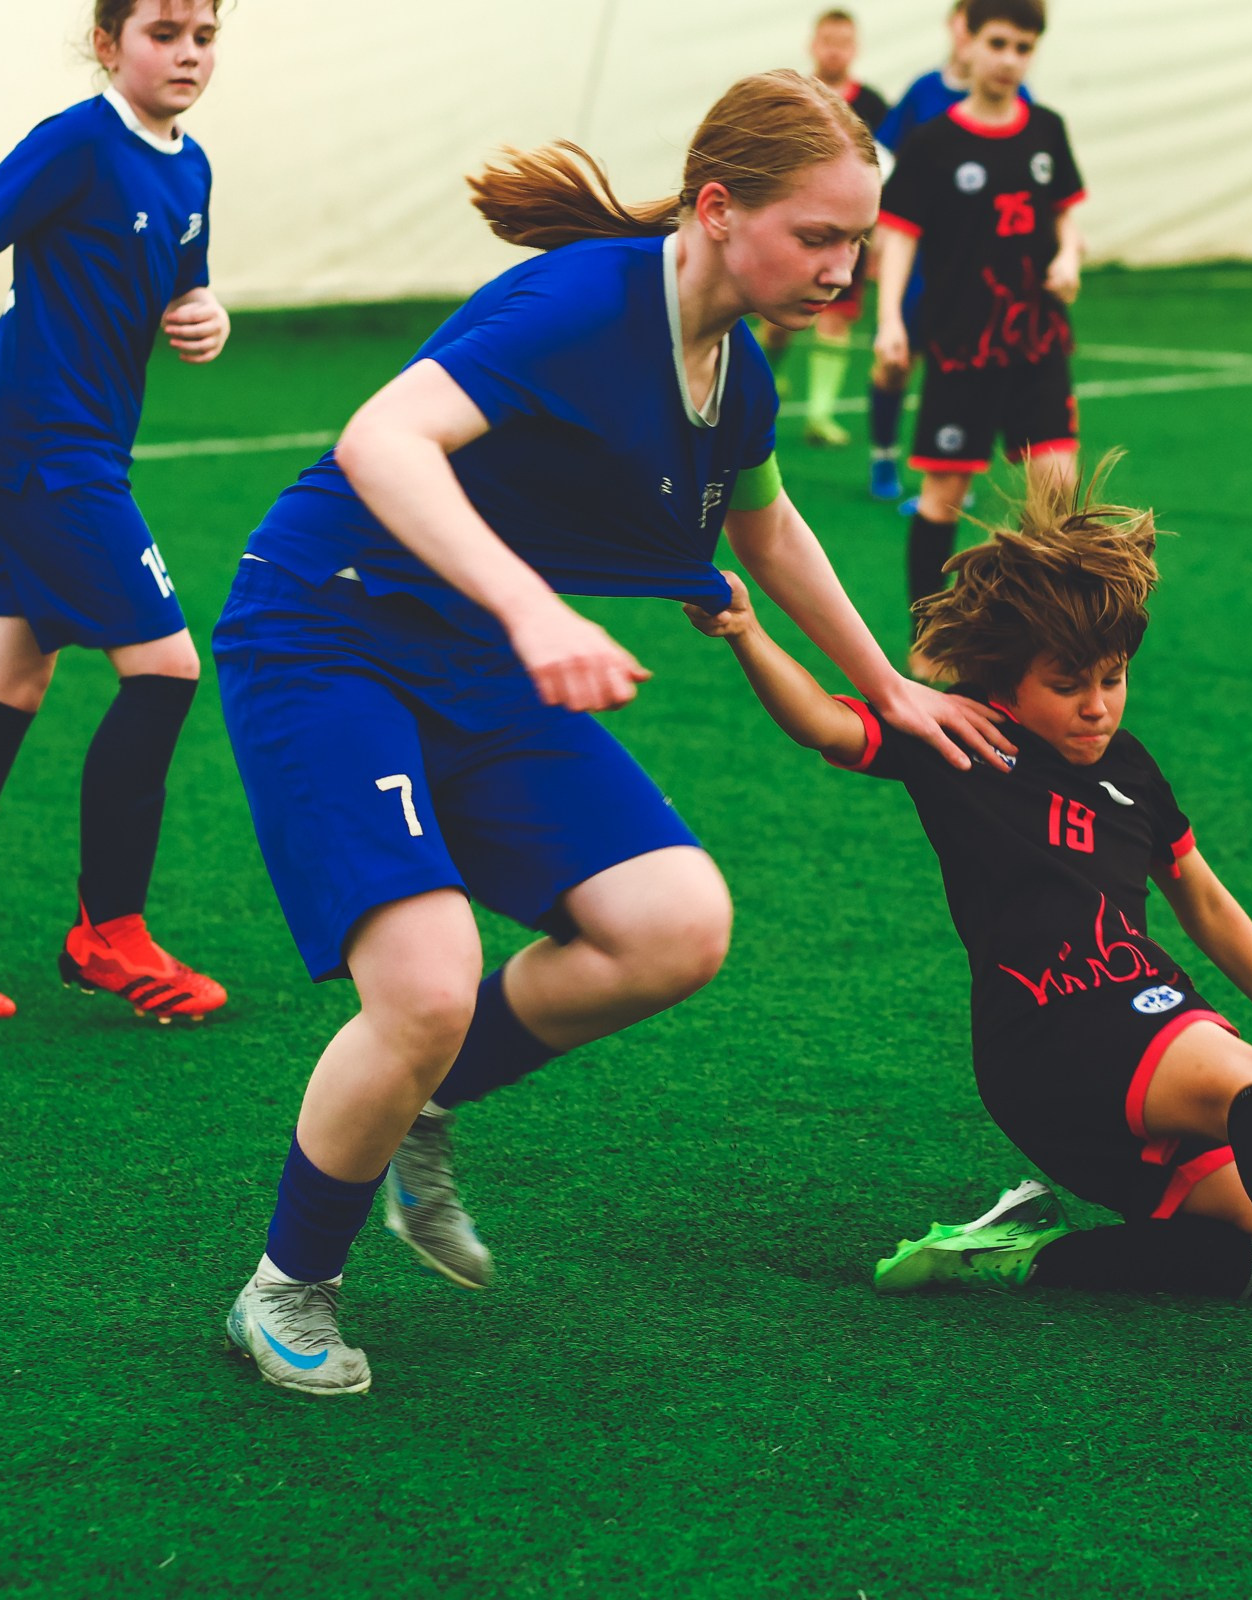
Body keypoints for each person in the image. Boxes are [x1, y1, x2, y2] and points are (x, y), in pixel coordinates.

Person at [213, 71, 1016, 1396]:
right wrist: (534, 611)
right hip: (328, 631)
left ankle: (425, 1090)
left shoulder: (731, 363)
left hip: (474, 648)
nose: (844, 268)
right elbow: (381, 440)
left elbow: (767, 528)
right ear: (716, 209)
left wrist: (891, 684)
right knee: (417, 986)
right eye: (819, 237)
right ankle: (286, 1288)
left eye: (858, 242)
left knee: (674, 923)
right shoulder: (582, 302)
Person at [685, 458, 1252, 1352]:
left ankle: (1012, 1257)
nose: (1096, 709)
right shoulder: (958, 733)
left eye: (1112, 680)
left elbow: (1204, 900)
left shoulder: (1131, 770)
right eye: (1068, 686)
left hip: (1127, 1027)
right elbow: (821, 721)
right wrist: (744, 630)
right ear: (1009, 680)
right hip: (1052, 1033)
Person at [0, 0, 232, 1023]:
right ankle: (109, 936)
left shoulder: (190, 164)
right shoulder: (75, 141)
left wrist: (208, 316)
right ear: (110, 45)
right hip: (39, 443)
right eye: (164, 33)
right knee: (167, 670)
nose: (188, 53)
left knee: (8, 684)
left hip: (81, 443)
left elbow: (179, 293)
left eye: (204, 35)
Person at [876, 0, 1083, 679]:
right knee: (944, 497)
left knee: (1057, 492)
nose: (1010, 58)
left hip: (1039, 343)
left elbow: (1068, 213)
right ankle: (932, 637)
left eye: (1024, 47)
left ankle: (1047, 638)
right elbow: (899, 233)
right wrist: (890, 322)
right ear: (969, 41)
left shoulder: (1048, 129)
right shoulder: (935, 143)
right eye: (999, 42)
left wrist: (1068, 260)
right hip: (966, 348)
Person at [863, 0, 1027, 503]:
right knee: (894, 361)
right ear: (960, 30)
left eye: (1018, 45)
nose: (1006, 55)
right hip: (919, 256)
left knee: (961, 362)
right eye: (990, 37)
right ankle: (884, 458)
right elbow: (883, 156)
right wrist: (883, 225)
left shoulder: (1018, 98)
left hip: (973, 263)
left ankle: (955, 471)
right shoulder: (924, 91)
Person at [760, 9, 889, 447]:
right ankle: (765, 378)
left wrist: (881, 233)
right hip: (797, 229)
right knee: (778, 317)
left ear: (855, 49)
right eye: (828, 40)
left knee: (837, 316)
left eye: (844, 42)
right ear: (812, 44)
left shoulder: (872, 105)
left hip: (847, 230)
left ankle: (819, 413)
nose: (835, 49)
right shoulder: (792, 94)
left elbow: (883, 166)